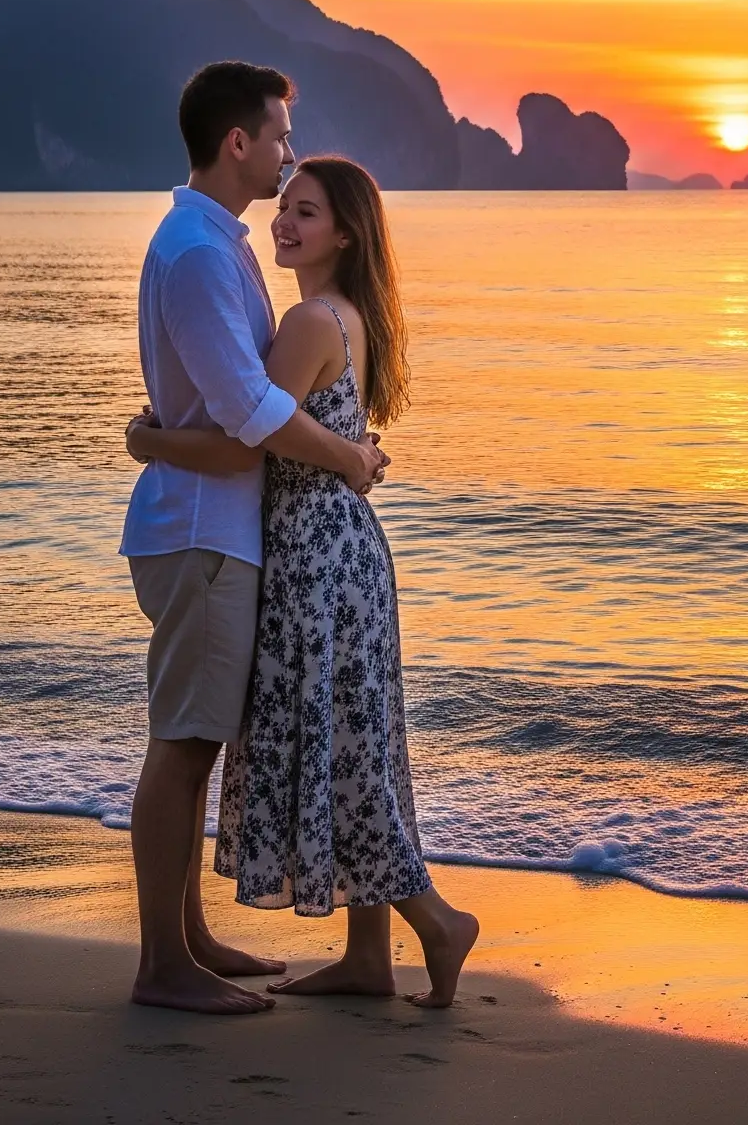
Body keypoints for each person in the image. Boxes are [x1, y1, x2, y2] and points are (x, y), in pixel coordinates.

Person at [127, 154, 479, 1008]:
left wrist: (153, 441)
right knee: (358, 737)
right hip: (344, 550)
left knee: (341, 741)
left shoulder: (308, 323)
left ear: (345, 233)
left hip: (312, 554)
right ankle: (368, 958)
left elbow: (247, 440)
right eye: (285, 207)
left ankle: (434, 920)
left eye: (307, 213)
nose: (285, 223)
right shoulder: (349, 315)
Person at [120, 62, 389, 1016]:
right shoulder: (197, 251)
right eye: (278, 137)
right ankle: (161, 967)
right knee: (185, 744)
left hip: (222, 528)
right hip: (201, 529)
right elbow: (248, 413)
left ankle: (189, 939)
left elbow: (235, 404)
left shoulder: (219, 243)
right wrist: (351, 458)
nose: (284, 152)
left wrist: (156, 432)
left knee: (200, 739)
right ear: (238, 142)